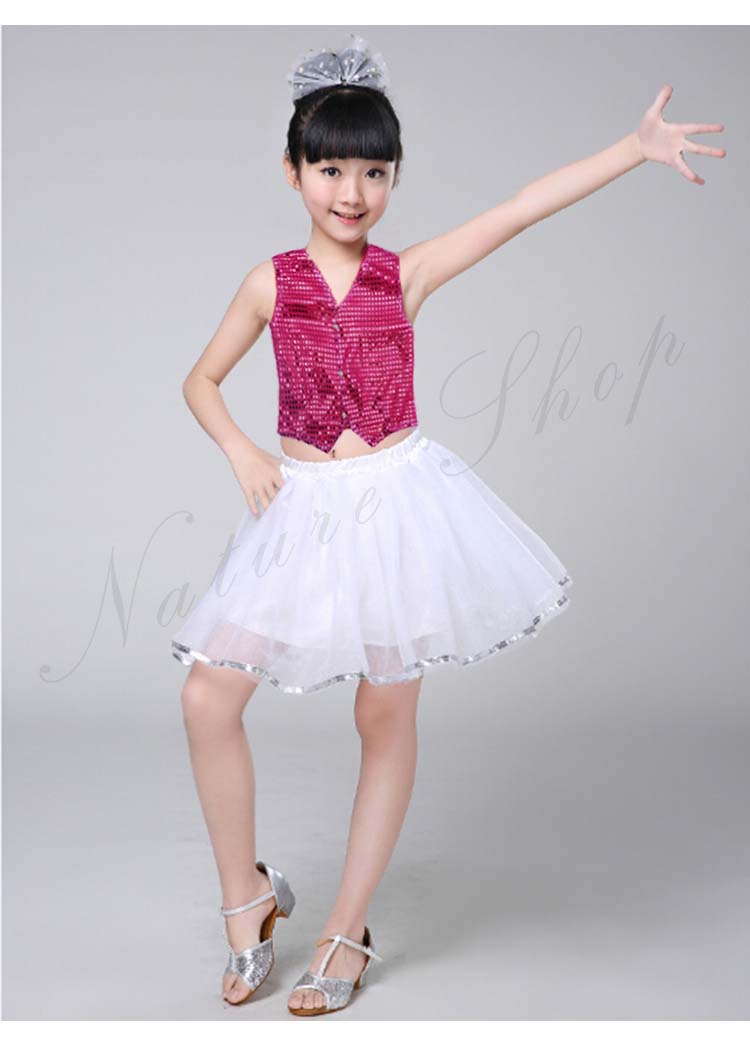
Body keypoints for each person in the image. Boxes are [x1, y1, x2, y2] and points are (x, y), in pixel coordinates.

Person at [170, 33, 726, 1017]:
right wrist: (245, 453)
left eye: (374, 172)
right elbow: (201, 380)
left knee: (384, 715)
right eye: (331, 170)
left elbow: (519, 209)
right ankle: (246, 898)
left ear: (394, 177)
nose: (352, 192)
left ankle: (346, 926)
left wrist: (631, 149)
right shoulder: (270, 283)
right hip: (302, 514)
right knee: (210, 695)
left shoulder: (408, 273)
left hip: (396, 508)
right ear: (293, 171)